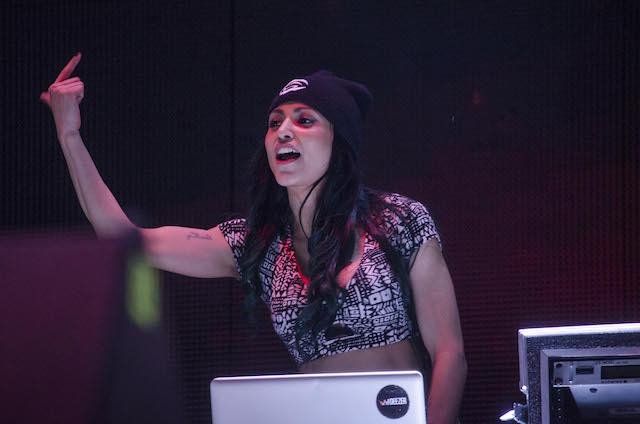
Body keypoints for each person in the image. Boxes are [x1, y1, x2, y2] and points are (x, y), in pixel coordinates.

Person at [42, 53, 467, 424]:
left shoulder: (399, 220)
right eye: (274, 122)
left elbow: (449, 352)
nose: (284, 131)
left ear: (339, 139)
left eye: (305, 120)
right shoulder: (258, 246)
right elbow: (122, 237)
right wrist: (69, 135)